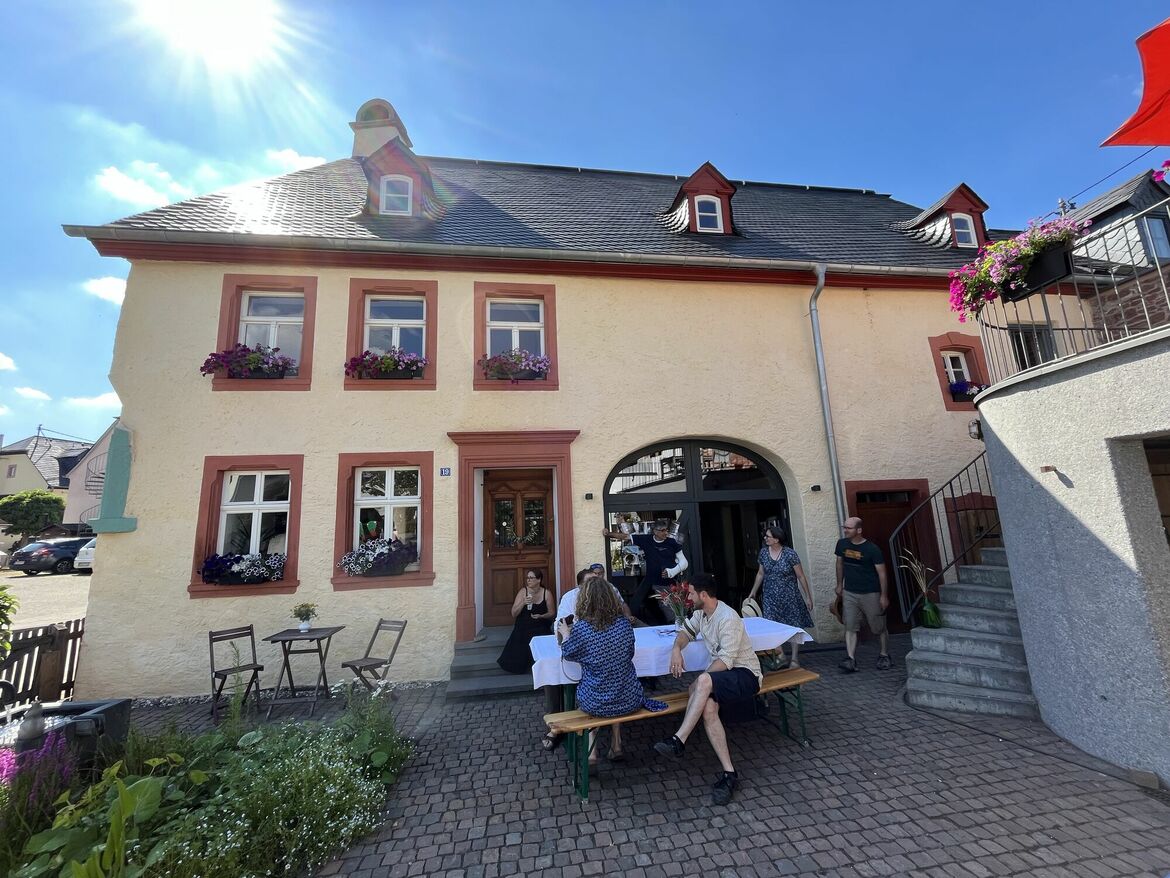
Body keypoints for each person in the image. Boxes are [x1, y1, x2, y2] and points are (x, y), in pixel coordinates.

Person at [652, 572, 761, 805]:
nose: (688, 597)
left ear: (703, 594)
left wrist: (702, 680)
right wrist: (676, 650)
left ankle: (679, 740)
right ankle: (730, 774)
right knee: (709, 708)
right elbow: (685, 633)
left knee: (702, 682)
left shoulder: (728, 618)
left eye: (691, 593)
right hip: (725, 675)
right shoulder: (701, 613)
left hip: (745, 674)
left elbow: (727, 661)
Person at [557, 577, 666, 767]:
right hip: (629, 699)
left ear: (585, 599)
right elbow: (629, 653)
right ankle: (616, 745)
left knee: (592, 692)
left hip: (596, 702)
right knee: (615, 682)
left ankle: (592, 754)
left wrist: (566, 634)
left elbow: (568, 653)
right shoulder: (624, 624)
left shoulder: (582, 629)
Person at [747, 526, 814, 668]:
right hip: (770, 597)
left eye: (768, 536)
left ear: (776, 539)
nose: (765, 538)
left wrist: (808, 596)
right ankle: (781, 655)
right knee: (772, 625)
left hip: (789, 596)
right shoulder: (764, 553)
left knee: (793, 626)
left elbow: (800, 576)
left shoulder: (790, 554)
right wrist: (753, 591)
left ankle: (795, 659)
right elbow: (760, 573)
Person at [602, 520, 688, 625]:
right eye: (662, 530)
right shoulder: (646, 539)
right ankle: (631, 625)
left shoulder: (672, 542)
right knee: (636, 605)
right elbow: (626, 537)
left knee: (670, 611)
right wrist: (608, 534)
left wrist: (672, 572)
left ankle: (674, 628)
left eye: (667, 530)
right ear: (655, 531)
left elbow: (684, 563)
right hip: (649, 580)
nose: (666, 533)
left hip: (668, 583)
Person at [835, 517, 891, 673]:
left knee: (878, 626)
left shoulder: (872, 549)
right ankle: (851, 659)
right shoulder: (842, 544)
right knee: (850, 625)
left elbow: (882, 574)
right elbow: (839, 563)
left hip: (870, 592)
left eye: (849, 528)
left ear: (859, 530)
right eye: (844, 527)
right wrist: (840, 584)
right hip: (850, 592)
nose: (845, 530)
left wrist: (883, 596)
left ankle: (884, 654)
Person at [497, 569, 555, 674]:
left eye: (531, 578)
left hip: (540, 623)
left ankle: (543, 666)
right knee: (522, 633)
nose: (528, 580)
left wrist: (541, 616)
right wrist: (523, 602)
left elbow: (552, 613)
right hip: (524, 623)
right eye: (527, 578)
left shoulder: (546, 593)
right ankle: (520, 666)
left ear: (539, 580)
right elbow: (513, 613)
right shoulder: (523, 592)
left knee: (542, 634)